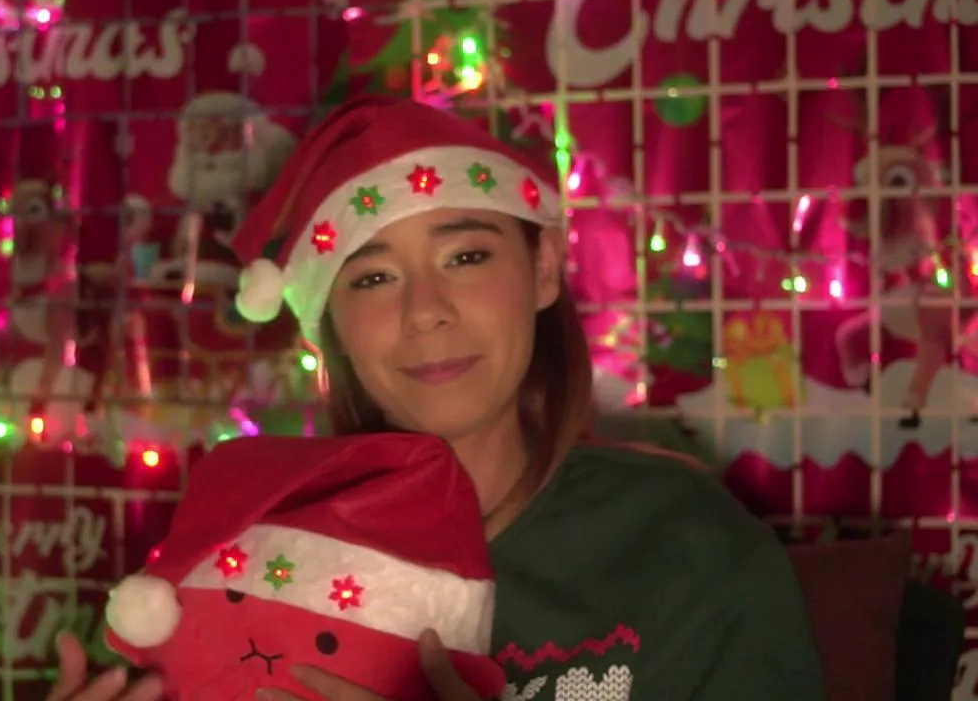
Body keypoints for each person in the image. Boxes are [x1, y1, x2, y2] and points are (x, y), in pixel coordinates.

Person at [46, 96, 826, 701]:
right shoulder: (237, 557)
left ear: (542, 271)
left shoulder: (685, 547)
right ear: (331, 324)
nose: (425, 311)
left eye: (467, 256)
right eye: (373, 276)